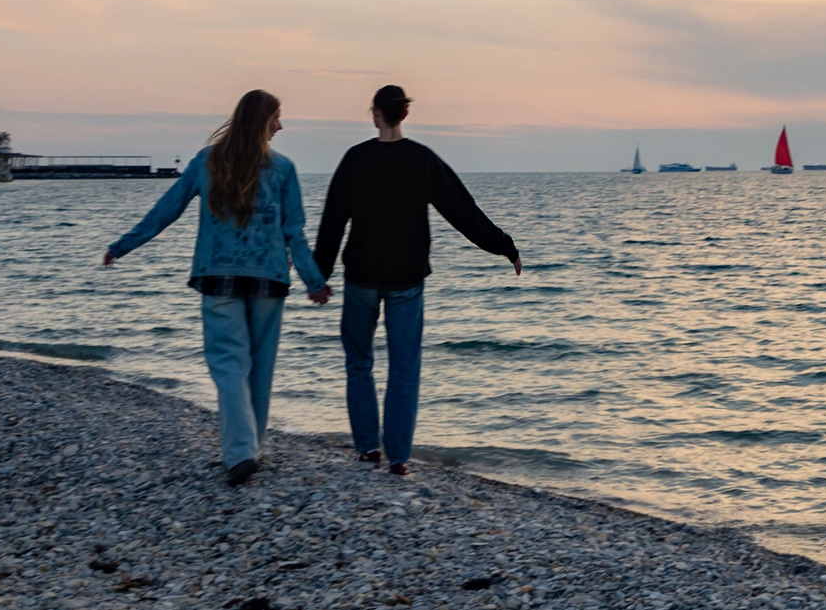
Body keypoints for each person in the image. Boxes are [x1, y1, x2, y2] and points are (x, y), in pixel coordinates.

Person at [101, 89, 328, 487]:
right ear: (261, 121)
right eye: (277, 118)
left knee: (229, 365)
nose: (281, 125)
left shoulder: (207, 162)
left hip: (218, 276)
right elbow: (294, 233)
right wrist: (314, 281)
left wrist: (124, 245)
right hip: (267, 278)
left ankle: (242, 452)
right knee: (258, 366)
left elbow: (166, 210)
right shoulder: (283, 169)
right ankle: (248, 449)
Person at [316, 84, 520, 477]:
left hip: (361, 276)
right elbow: (462, 210)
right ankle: (398, 459)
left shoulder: (356, 158)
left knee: (359, 362)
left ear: (376, 113)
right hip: (406, 279)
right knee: (404, 367)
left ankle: (366, 451)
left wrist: (318, 277)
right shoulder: (422, 159)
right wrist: (504, 246)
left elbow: (332, 221)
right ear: (403, 115)